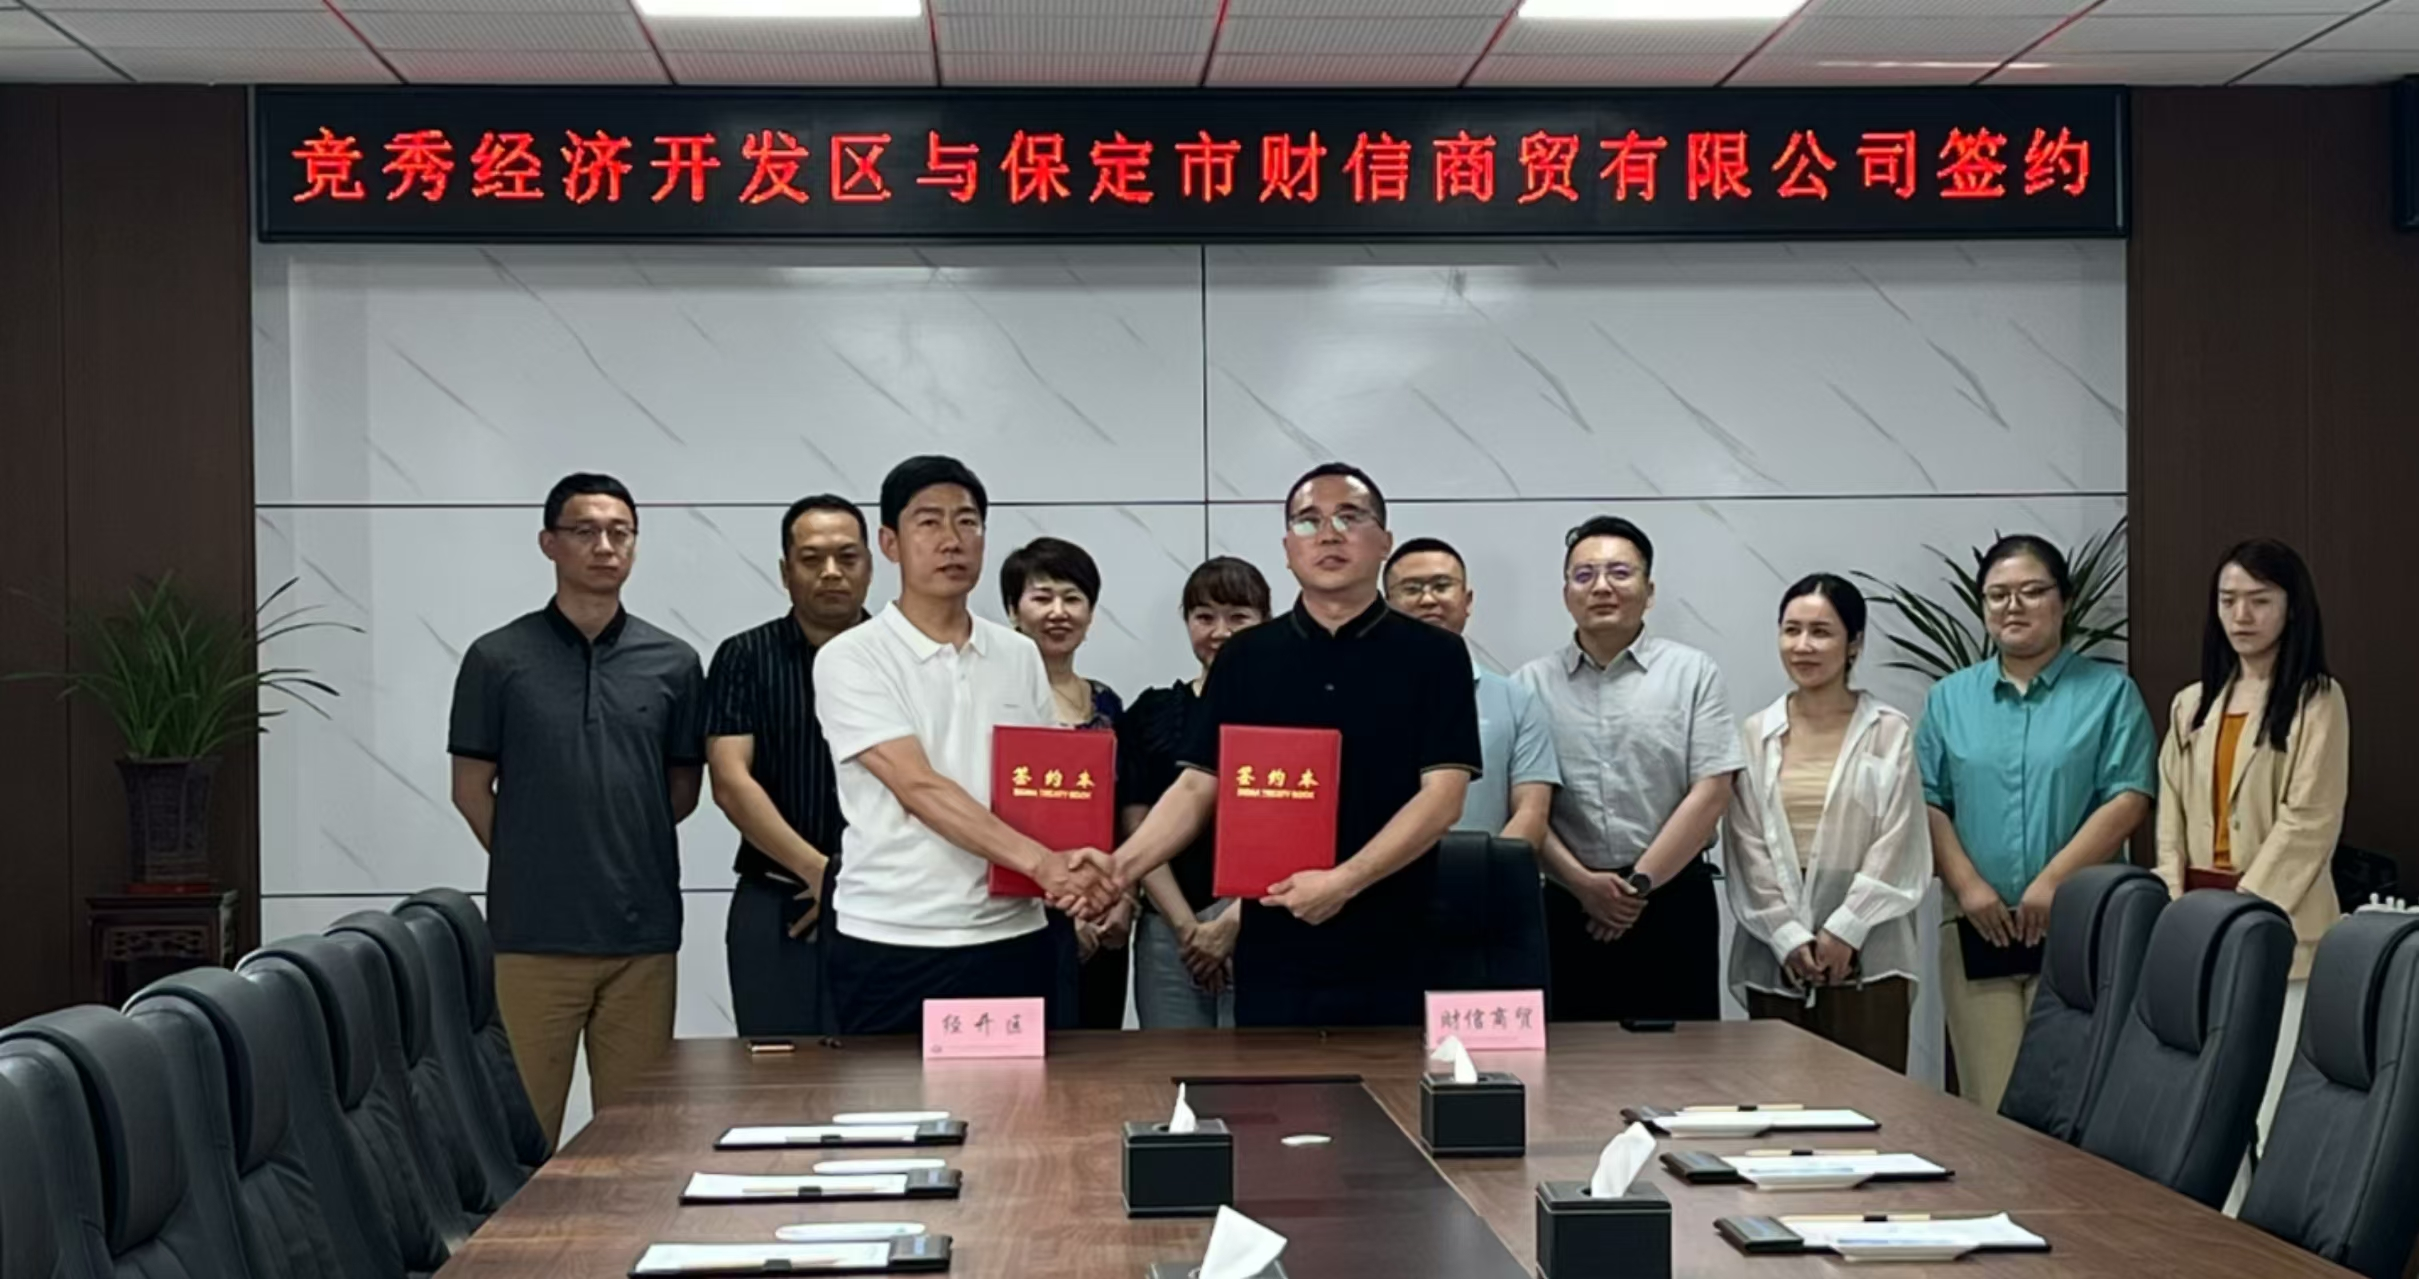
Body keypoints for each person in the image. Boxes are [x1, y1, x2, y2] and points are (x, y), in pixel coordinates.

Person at [1110, 463, 1481, 1027]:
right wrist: (1116, 871)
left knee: (1393, 1083)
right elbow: (1196, 787)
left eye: (1349, 518)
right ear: (1287, 549)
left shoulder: (1436, 655)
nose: (1328, 534)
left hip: (1393, 939)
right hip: (1272, 945)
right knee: (1271, 1083)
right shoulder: (1246, 656)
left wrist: (1344, 882)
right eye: (1308, 522)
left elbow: (1443, 798)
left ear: (1384, 542)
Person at [811, 456, 1118, 1035]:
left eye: (967, 522)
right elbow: (917, 786)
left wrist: (1082, 870)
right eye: (929, 522)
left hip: (1013, 932)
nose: (951, 540)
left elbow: (1042, 789)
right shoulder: (851, 658)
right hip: (895, 936)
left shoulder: (1019, 654)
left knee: (1021, 1094)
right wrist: (1046, 865)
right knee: (894, 1097)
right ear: (889, 543)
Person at [447, 472, 706, 1149]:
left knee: (637, 1140)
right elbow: (470, 789)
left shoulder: (675, 663)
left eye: (620, 532)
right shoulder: (497, 659)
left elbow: (681, 790)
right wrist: (536, 856)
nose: (604, 546)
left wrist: (615, 847)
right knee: (524, 1140)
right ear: (549, 543)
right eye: (585, 531)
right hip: (532, 938)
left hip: (641, 937)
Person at [1920, 533, 2155, 1113]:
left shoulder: (2110, 693)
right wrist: (1969, 888)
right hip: (1979, 927)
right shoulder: (1949, 699)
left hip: (2082, 925)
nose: (2013, 606)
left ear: (2064, 601)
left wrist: (2053, 884)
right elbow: (1927, 800)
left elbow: (2128, 797)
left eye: (2031, 591)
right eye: (1998, 595)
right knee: (1993, 1102)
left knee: (2076, 1100)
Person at [2154, 538, 2346, 1171]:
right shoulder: (2191, 703)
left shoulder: (2318, 700)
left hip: (2283, 928)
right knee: (2207, 1105)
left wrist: (2242, 914)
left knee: (2274, 1104)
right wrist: (2177, 911)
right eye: (2228, 600)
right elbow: (2170, 819)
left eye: (2259, 600)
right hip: (2198, 925)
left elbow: (2309, 822)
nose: (2241, 616)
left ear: (2292, 607)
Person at [1515, 516, 1742, 1024]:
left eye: (1619, 572)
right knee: (1572, 1059)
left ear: (1649, 590)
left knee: (1684, 1060)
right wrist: (1582, 884)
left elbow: (1711, 790)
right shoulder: (1529, 685)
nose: (1601, 587)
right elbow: (1524, 804)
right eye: (1584, 575)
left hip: (1672, 899)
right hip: (1567, 904)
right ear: (1566, 593)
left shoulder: (1693, 673)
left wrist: (1636, 888)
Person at [1724, 575, 1929, 1073]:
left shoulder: (1888, 730)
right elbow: (1746, 842)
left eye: (1821, 632)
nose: (1803, 645)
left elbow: (1898, 838)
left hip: (1870, 944)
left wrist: (1846, 928)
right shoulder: (1756, 733)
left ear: (1854, 643)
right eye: (1791, 630)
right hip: (1777, 947)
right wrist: (1786, 934)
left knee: (1869, 1099)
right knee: (1780, 1100)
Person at [703, 494, 872, 1039]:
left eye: (847, 557)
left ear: (871, 565)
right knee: (775, 1074)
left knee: (887, 1073)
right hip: (777, 901)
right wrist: (819, 872)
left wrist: (848, 883)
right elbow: (730, 781)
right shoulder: (744, 657)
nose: (831, 572)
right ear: (784, 572)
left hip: (888, 902)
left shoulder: (904, 659)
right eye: (812, 559)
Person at [1120, 557, 1271, 1030]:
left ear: (1267, 622)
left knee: (1266, 1066)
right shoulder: (1152, 711)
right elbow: (1139, 825)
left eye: (1239, 617)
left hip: (1266, 919)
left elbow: (1304, 829)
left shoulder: (1292, 709)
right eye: (1204, 617)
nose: (1220, 632)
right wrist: (1188, 928)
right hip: (1168, 923)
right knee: (1171, 1065)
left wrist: (1233, 922)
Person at [1000, 536, 1130, 1030]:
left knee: (1097, 1052)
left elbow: (1125, 811)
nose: (1059, 612)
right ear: (1013, 611)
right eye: (1042, 597)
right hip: (1017, 911)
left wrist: (1123, 898)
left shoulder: (1108, 704)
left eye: (1073, 598)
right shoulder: (996, 701)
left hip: (1103, 909)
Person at [1384, 537, 1560, 846]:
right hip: (1373, 873)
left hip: (1481, 872)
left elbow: (1531, 811)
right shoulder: (1361, 692)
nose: (1428, 600)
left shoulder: (1516, 700)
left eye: (1442, 586)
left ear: (1467, 601)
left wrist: (1491, 869)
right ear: (1386, 606)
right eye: (1411, 589)